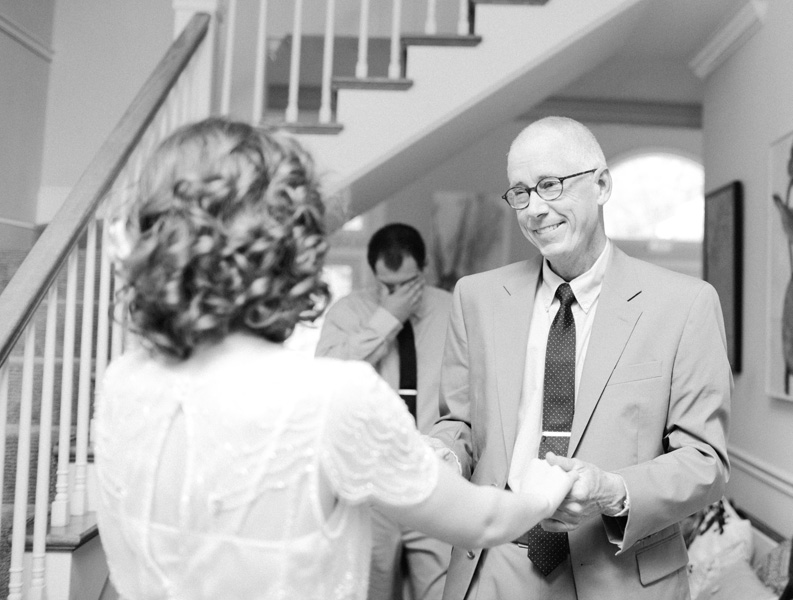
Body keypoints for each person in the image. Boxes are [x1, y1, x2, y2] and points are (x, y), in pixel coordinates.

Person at [93, 117, 578, 600]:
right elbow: (484, 519)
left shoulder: (122, 381)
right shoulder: (330, 396)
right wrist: (545, 488)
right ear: (289, 246)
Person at [429, 116, 731, 600]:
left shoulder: (685, 304)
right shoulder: (476, 297)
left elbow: (704, 462)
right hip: (496, 563)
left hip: (621, 570)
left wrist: (611, 489)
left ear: (602, 184)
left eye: (550, 185)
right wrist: (441, 454)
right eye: (520, 193)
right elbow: (460, 425)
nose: (535, 209)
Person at [315, 223, 452, 600]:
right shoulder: (348, 312)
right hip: (369, 485)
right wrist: (388, 316)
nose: (395, 293)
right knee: (371, 591)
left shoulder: (452, 309)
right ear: (374, 272)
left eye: (407, 283)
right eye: (386, 284)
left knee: (440, 592)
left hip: (435, 479)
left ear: (423, 268)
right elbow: (328, 376)